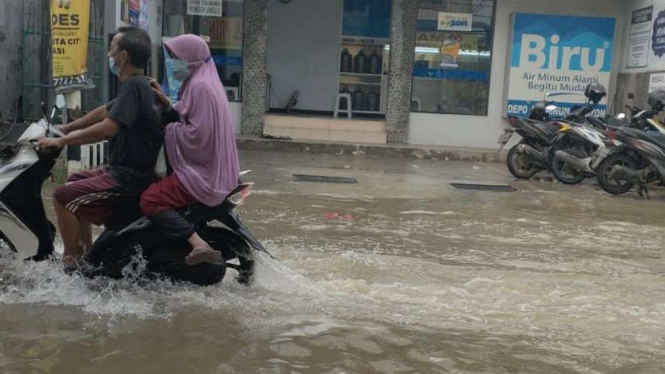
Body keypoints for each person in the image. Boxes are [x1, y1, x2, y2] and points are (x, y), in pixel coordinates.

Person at [38, 26, 164, 268]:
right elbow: (103, 111)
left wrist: (62, 141)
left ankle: (71, 260)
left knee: (61, 196)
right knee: (74, 181)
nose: (109, 55)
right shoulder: (138, 85)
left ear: (123, 57)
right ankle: (88, 251)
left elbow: (108, 127)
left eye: (111, 50)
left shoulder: (135, 86)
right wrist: (65, 128)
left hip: (129, 177)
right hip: (121, 170)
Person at [141, 34, 240, 266]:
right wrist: (166, 102)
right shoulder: (201, 81)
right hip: (212, 168)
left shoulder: (201, 86)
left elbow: (199, 134)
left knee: (150, 199)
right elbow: (188, 114)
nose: (173, 62)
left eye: (177, 57)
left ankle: (198, 244)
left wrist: (169, 129)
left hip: (203, 173)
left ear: (192, 58)